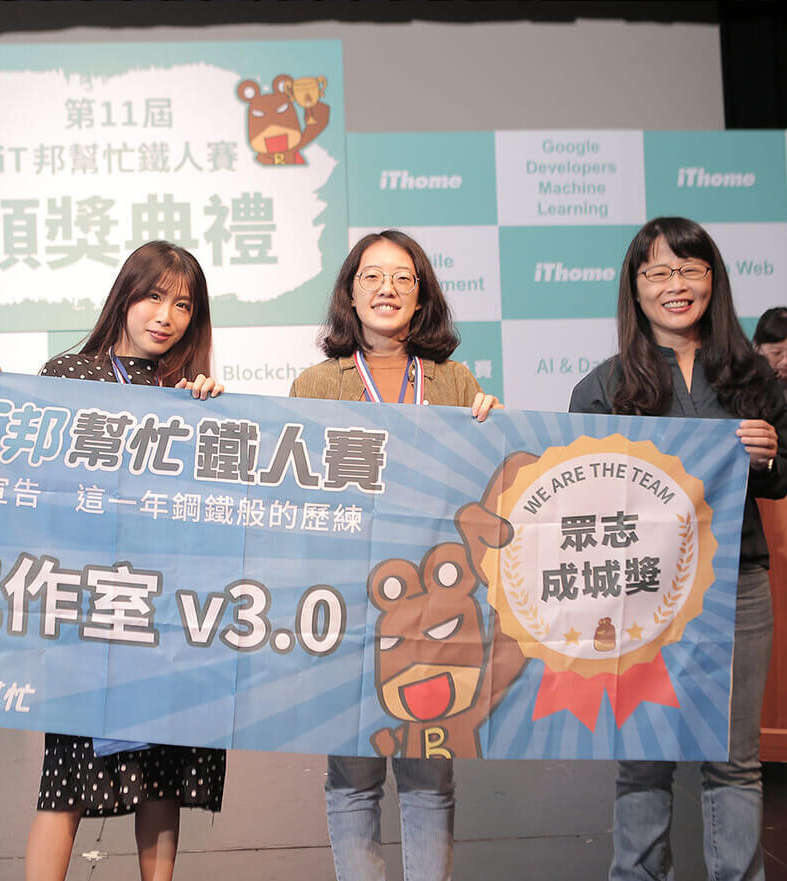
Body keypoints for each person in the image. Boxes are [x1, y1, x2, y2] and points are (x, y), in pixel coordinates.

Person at [568, 217, 787, 881]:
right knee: (643, 756)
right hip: (640, 592)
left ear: (711, 280)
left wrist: (766, 455)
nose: (676, 285)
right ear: (635, 287)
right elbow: (579, 500)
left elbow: (780, 479)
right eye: (658, 272)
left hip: (736, 585)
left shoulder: (751, 376)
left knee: (734, 759)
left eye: (690, 269)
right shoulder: (604, 387)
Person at [289, 229, 497, 881]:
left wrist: (493, 426)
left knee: (429, 776)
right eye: (372, 276)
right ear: (350, 293)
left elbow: (484, 485)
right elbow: (294, 495)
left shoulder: (454, 381)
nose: (387, 288)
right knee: (352, 777)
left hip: (435, 607)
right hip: (349, 602)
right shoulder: (315, 383)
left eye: (403, 278)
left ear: (421, 296)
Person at [24, 241, 226, 881]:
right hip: (90, 609)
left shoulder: (191, 393)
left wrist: (212, 413)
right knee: (65, 780)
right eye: (154, 297)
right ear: (125, 297)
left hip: (166, 610)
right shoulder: (66, 375)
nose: (166, 316)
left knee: (163, 776)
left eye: (183, 305)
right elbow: (37, 483)